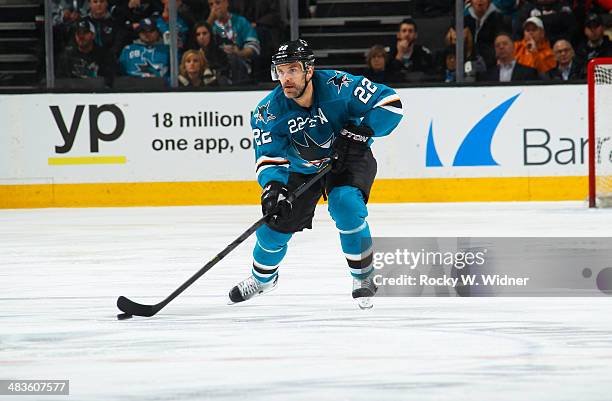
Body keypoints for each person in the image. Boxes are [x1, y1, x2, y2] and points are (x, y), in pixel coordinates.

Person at [228, 39, 403, 309]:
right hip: (301, 170)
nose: (286, 78)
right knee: (274, 227)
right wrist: (273, 188)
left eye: (293, 70)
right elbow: (268, 156)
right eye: (281, 71)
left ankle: (364, 277)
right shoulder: (268, 112)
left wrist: (363, 132)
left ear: (309, 70)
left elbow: (391, 103)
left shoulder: (339, 86)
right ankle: (262, 279)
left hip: (348, 158)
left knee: (346, 204)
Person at [207, 0, 260, 83]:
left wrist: (239, 52)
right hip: (215, 68)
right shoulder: (209, 26)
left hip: (239, 67)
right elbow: (199, 47)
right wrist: (210, 20)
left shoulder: (241, 22)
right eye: (211, 4)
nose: (214, 7)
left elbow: (253, 47)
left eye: (217, 2)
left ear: (226, 3)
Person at [57, 19, 115, 85]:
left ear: (93, 35)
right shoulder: (66, 56)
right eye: (78, 33)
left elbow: (109, 82)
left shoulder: (105, 55)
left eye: (85, 33)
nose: (81, 37)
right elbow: (61, 82)